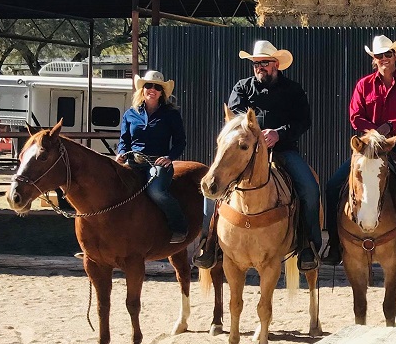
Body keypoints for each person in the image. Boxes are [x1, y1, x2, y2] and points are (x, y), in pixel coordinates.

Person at [193, 40, 320, 271]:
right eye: (255, 63)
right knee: (212, 187)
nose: (259, 67)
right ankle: (208, 242)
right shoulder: (242, 87)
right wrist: (255, 135)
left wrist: (279, 134)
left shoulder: (293, 90)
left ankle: (308, 246)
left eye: (264, 63)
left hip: (283, 150)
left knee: (310, 189)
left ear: (276, 64)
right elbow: (235, 119)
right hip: (244, 152)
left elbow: (304, 121)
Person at [321, 35, 396, 267]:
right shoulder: (363, 85)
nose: (384, 59)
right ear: (373, 59)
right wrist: (375, 132)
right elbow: (355, 116)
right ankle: (335, 242)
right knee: (333, 185)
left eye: (388, 54)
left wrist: (391, 127)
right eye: (379, 55)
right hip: (368, 146)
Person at [116, 70, 188, 243]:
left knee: (157, 192)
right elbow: (124, 140)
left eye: (157, 87)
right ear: (143, 89)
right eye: (148, 85)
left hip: (158, 163)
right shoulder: (130, 114)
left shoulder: (171, 114)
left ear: (162, 92)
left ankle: (179, 227)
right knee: (111, 189)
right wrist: (120, 153)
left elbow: (180, 142)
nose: (152, 89)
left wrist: (169, 157)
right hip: (133, 161)